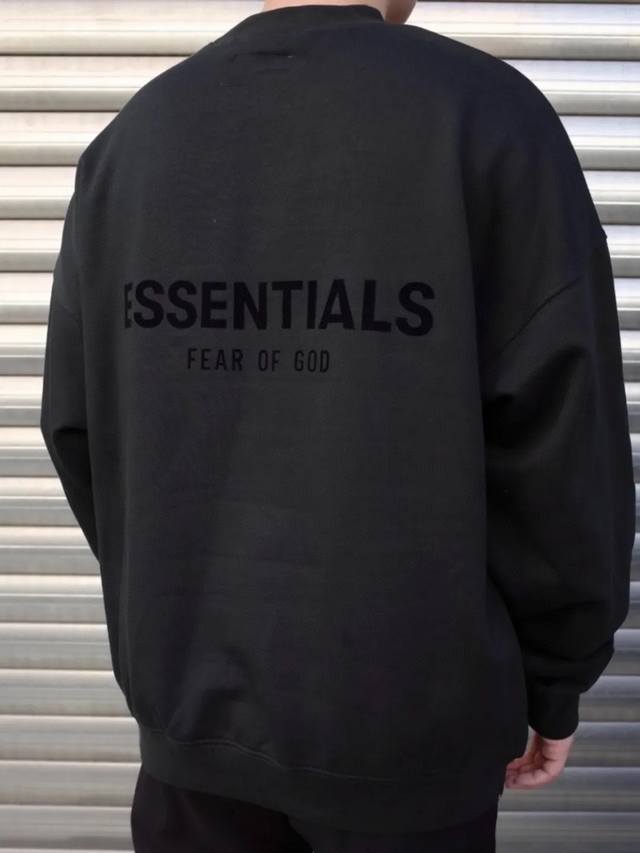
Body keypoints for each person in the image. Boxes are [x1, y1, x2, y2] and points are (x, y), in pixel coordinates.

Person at [39, 1, 635, 850]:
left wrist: (182, 618)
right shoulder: (485, 117)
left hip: (191, 746)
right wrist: (556, 677)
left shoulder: (133, 140)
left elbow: (78, 430)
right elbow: (564, 447)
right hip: (409, 743)